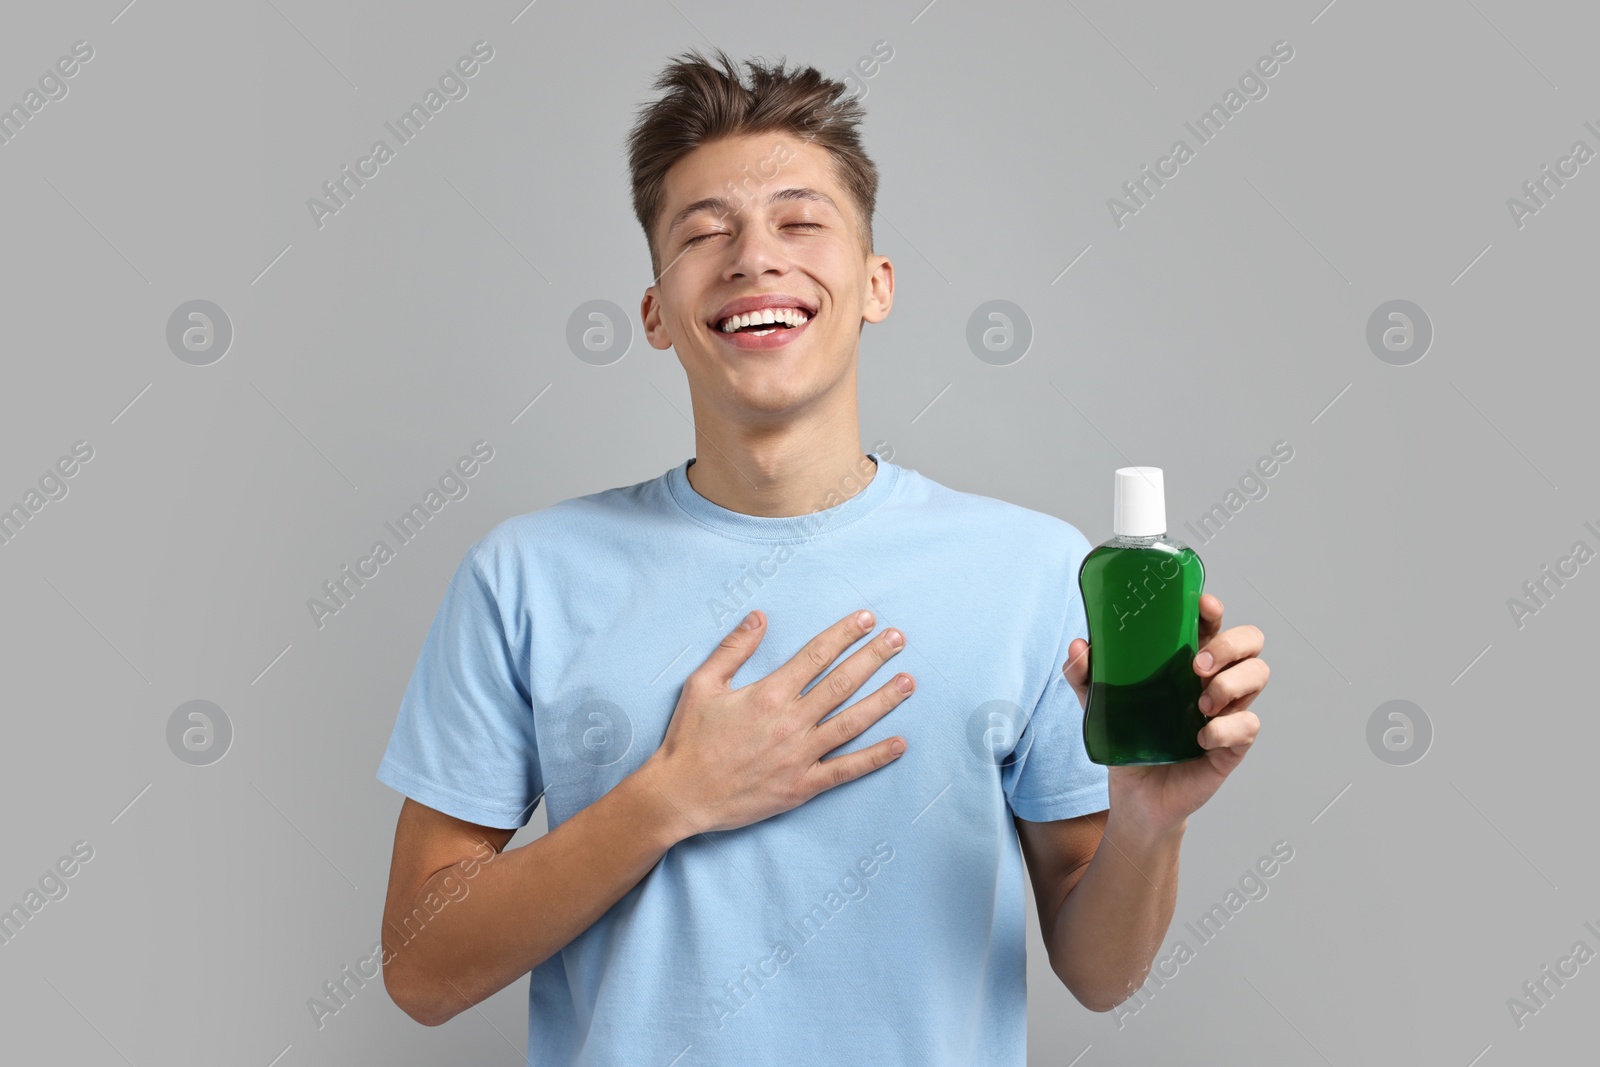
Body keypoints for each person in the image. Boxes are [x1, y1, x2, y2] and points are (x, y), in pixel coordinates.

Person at [375, 47, 1270, 1065]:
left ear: (875, 284)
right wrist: (668, 798)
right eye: (705, 232)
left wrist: (1148, 825)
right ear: (657, 312)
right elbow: (421, 969)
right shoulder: (525, 575)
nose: (755, 257)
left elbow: (1099, 973)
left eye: (801, 223)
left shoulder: (1032, 570)